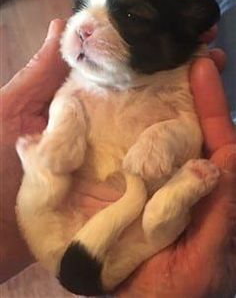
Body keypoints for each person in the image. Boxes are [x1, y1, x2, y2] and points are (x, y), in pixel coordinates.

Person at [0, 19, 235, 296]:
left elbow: (187, 129)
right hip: (75, 234)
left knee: (51, 200)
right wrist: (61, 136)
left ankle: (156, 213)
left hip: (109, 240)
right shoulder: (80, 80)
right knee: (149, 228)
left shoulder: (178, 76)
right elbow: (67, 100)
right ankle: (164, 211)